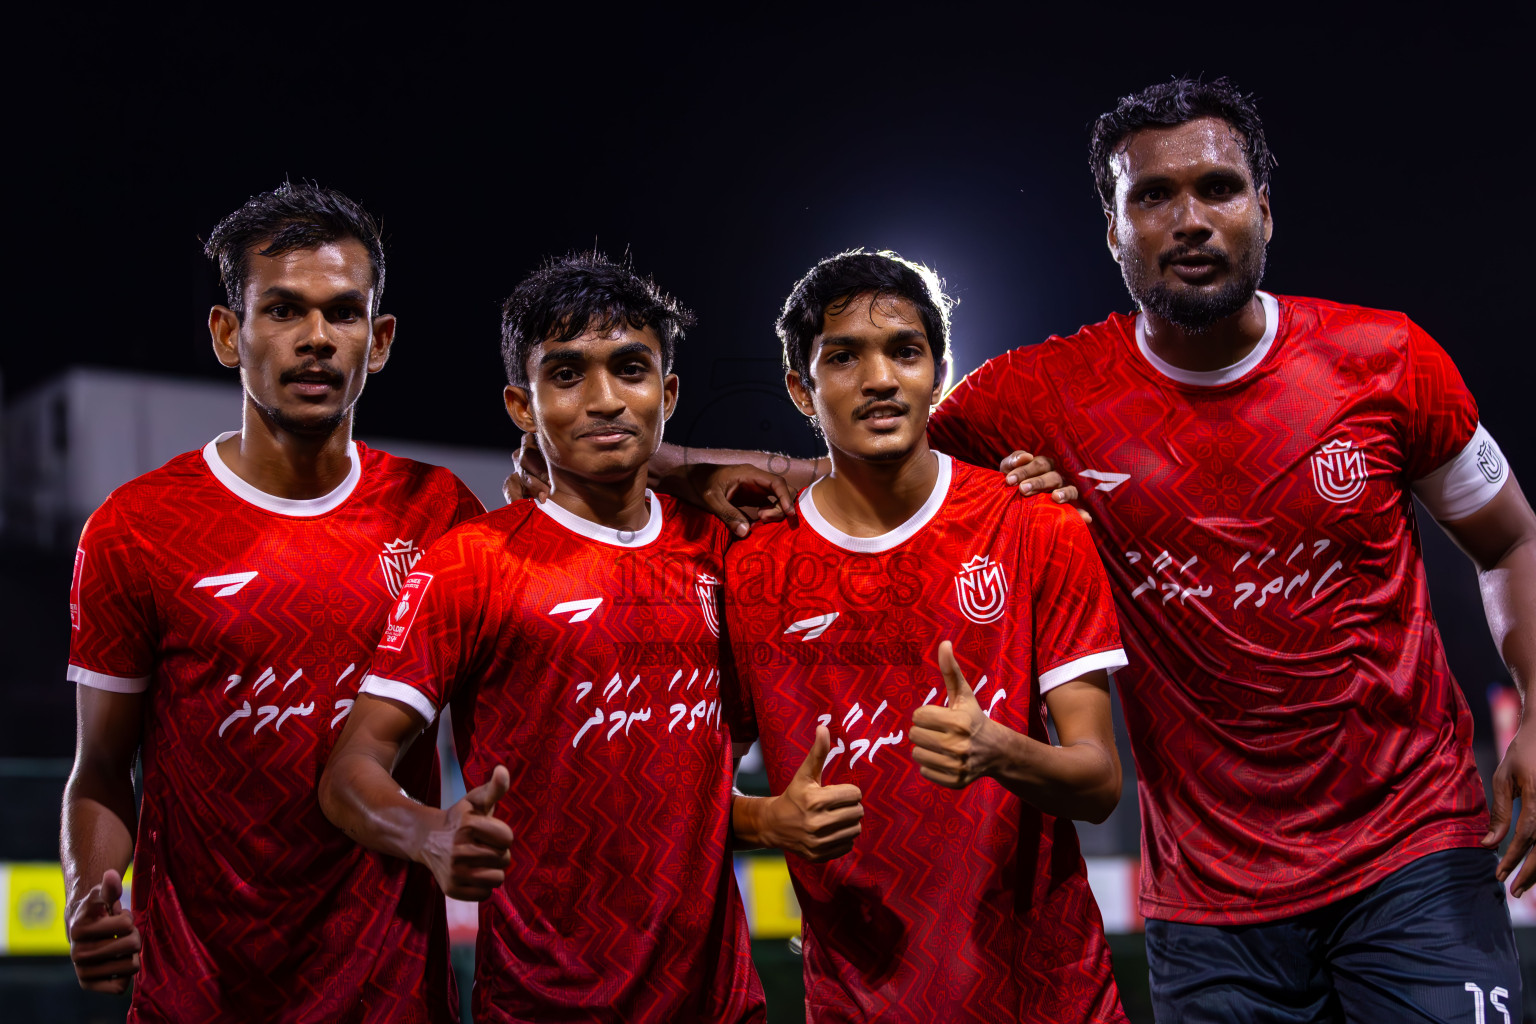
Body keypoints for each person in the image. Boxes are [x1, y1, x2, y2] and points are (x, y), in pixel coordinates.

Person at [924, 78, 1536, 1022]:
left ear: (1264, 210)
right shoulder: (1038, 395)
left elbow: (1512, 540)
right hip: (1211, 902)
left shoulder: (1386, 360)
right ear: (1112, 231)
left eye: (1218, 187)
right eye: (1153, 196)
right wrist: (664, 459)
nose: (1191, 218)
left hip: (1416, 852)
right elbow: (863, 485)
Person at [319, 253, 784, 1023]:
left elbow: (859, 477)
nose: (604, 399)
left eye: (630, 369)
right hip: (544, 1004)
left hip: (720, 1003)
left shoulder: (726, 546)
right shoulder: (474, 561)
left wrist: (693, 470)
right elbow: (349, 771)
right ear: (521, 406)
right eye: (566, 375)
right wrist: (428, 831)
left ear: (667, 392)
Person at [61, 183, 482, 1022]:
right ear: (228, 333)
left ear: (382, 339)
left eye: (344, 314)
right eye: (284, 310)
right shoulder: (135, 528)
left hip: (393, 995)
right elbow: (102, 770)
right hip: (199, 995)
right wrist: (88, 893)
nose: (317, 340)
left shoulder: (439, 515)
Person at [724, 251, 1131, 1022]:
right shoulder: (749, 571)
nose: (879, 378)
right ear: (800, 390)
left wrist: (999, 749)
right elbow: (678, 795)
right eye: (843, 357)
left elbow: (1100, 782)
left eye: (904, 351)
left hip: (1051, 998)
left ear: (939, 373)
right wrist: (765, 819)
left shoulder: (1033, 524)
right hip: (857, 1002)